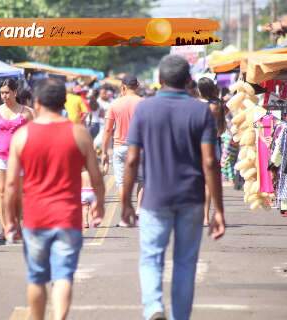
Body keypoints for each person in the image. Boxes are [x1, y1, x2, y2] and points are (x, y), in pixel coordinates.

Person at [121, 55, 226, 320]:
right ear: (189, 80)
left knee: (151, 258)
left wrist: (126, 201)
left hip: (155, 199)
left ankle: (154, 307)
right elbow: (210, 162)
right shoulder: (200, 110)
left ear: (159, 80)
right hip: (191, 199)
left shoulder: (145, 109)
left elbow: (132, 159)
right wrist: (218, 211)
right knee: (184, 263)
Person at [4, 78, 105, 320]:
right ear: (63, 103)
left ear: (36, 103)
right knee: (63, 277)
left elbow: (10, 185)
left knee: (37, 277)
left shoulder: (23, 135)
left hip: (36, 217)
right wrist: (98, 205)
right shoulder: (79, 133)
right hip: (68, 218)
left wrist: (10, 221)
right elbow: (96, 177)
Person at [0, 78, 33, 242]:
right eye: (2, 93)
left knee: (18, 194)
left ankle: (17, 227)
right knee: (2, 192)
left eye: (7, 93)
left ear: (15, 92)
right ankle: (6, 229)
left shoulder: (27, 112)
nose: (4, 96)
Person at [102, 74, 144, 227]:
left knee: (121, 183)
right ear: (137, 86)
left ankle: (126, 215)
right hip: (140, 147)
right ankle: (138, 212)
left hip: (120, 147)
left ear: (123, 87)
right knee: (142, 180)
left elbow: (107, 130)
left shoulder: (114, 104)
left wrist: (105, 152)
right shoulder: (144, 103)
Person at [197, 77, 226, 225]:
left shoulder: (197, 105)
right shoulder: (218, 105)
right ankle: (205, 217)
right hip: (214, 143)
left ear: (200, 89)